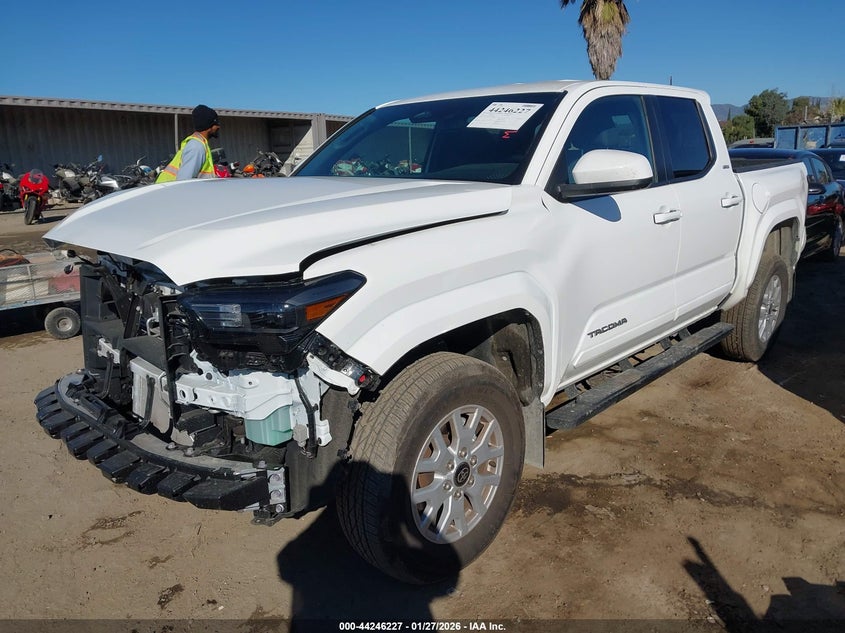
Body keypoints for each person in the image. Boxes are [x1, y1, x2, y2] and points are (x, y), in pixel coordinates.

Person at [156, 104, 220, 182]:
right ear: (209, 126)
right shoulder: (196, 147)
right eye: (216, 124)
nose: (218, 127)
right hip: (169, 192)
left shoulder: (199, 143)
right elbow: (184, 183)